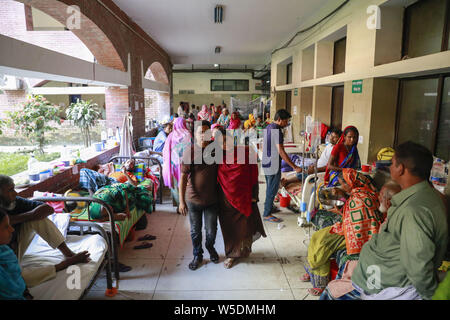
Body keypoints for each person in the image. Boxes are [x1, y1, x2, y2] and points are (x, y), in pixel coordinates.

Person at [351, 141, 448, 300]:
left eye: (392, 163)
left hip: (392, 287)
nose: (390, 167)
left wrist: (431, 295)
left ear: (401, 168)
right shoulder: (425, 196)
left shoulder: (414, 211)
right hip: (382, 275)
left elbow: (418, 267)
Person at [302, 169, 384, 296]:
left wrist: (341, 213)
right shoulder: (363, 192)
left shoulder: (357, 199)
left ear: (351, 182)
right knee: (317, 237)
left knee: (321, 242)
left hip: (360, 237)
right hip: (352, 229)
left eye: (342, 183)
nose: (341, 187)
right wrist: (340, 212)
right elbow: (353, 218)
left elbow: (356, 225)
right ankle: (314, 269)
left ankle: (319, 280)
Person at [0, 175, 90, 285]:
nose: (15, 193)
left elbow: (48, 209)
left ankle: (68, 254)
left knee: (38, 219)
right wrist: (24, 217)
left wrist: (25, 217)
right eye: (10, 190)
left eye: (14, 188)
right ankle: (65, 264)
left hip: (14, 249)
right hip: (4, 255)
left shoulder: (14, 202)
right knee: (18, 279)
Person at [319, 180, 402, 300]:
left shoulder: (395, 222)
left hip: (384, 276)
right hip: (377, 265)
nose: (376, 196)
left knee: (333, 290)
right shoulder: (391, 217)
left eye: (380, 196)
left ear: (388, 202)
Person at [0, 209, 90, 300]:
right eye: (6, 227)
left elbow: (47, 208)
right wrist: (66, 264)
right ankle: (67, 262)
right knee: (22, 276)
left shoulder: (6, 252)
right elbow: (21, 278)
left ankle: (68, 253)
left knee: (37, 217)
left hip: (11, 247)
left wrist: (27, 215)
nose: (12, 229)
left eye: (9, 225)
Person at [217, 128, 267, 269]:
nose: (224, 144)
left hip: (244, 197)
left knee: (243, 227)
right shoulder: (218, 156)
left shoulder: (246, 151)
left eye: (225, 140)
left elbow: (253, 174)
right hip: (225, 198)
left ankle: (241, 251)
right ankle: (232, 254)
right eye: (220, 142)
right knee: (229, 228)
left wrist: (254, 195)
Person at [179, 121, 219, 270]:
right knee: (195, 231)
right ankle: (198, 254)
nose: (203, 135)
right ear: (194, 135)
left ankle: (210, 247)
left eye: (206, 132)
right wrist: (181, 202)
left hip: (212, 200)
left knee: (211, 231)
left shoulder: (216, 150)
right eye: (200, 132)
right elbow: (183, 177)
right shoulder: (189, 151)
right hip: (193, 200)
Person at [262, 109, 302, 223]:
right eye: (286, 121)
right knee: (272, 189)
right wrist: (295, 167)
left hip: (266, 161)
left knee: (270, 186)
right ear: (279, 120)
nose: (287, 123)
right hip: (273, 164)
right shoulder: (277, 130)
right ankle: (267, 214)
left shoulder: (269, 127)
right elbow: (281, 151)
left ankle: (269, 207)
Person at [80, 182, 153, 221]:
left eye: (110, 209)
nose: (111, 209)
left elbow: (124, 189)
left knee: (136, 192)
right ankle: (141, 189)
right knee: (123, 216)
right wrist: (113, 215)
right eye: (111, 210)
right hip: (112, 197)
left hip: (114, 190)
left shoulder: (106, 198)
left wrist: (127, 209)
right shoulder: (94, 214)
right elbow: (122, 216)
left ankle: (140, 188)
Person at [162, 118, 192, 210]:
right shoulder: (188, 134)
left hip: (173, 164)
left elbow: (165, 151)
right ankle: (186, 203)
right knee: (185, 183)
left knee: (175, 185)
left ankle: (178, 204)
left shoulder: (171, 135)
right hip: (185, 164)